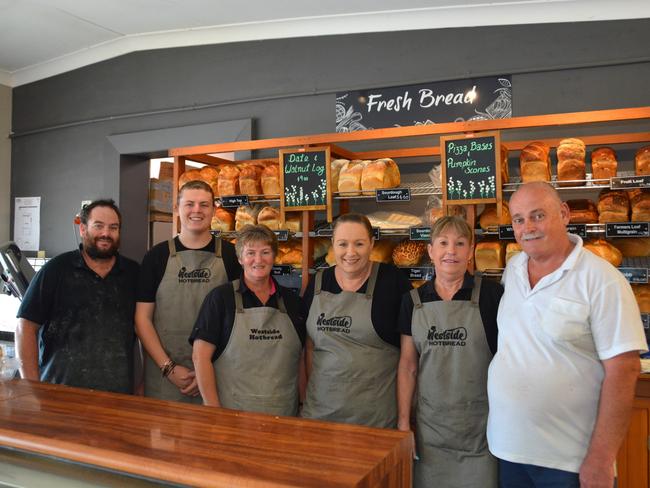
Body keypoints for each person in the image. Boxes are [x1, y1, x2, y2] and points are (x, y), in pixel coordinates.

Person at [487, 181, 647, 488]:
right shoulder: (514, 269)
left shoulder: (602, 279)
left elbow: (624, 371)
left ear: (563, 214)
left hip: (569, 460)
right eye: (519, 220)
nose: (527, 227)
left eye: (538, 216)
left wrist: (601, 458)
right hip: (508, 449)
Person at [397, 215, 502, 487]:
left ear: (470, 251)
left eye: (460, 243)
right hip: (431, 433)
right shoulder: (413, 301)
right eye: (443, 243)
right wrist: (403, 422)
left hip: (481, 430)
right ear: (431, 251)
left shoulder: (492, 296)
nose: (451, 251)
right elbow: (408, 366)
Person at [15, 199, 139, 394]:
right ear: (83, 229)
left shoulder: (133, 274)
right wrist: (31, 387)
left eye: (113, 227)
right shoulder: (55, 270)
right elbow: (25, 327)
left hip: (117, 398)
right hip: (58, 396)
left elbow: (146, 330)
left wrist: (142, 385)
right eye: (98, 226)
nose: (106, 233)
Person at [301, 213, 412, 428]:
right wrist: (305, 398)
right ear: (333, 244)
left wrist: (405, 419)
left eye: (359, 244)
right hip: (320, 415)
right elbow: (309, 347)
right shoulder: (318, 282)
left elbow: (409, 360)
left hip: (375, 420)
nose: (350, 253)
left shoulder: (393, 282)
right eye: (343, 244)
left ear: (371, 244)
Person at [135, 180, 241, 403]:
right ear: (176, 209)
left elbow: (239, 321)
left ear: (214, 209)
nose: (197, 210)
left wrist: (205, 370)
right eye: (189, 204)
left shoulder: (232, 256)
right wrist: (169, 368)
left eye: (204, 205)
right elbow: (142, 319)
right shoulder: (156, 257)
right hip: (165, 376)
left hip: (218, 373)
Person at [189, 224, 306, 415]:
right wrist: (213, 411)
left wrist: (302, 404)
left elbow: (300, 359)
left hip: (284, 416)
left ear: (274, 257)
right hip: (232, 415)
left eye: (265, 252)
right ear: (240, 259)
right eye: (250, 253)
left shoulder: (293, 302)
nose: (258, 260)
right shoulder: (221, 299)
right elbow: (200, 357)